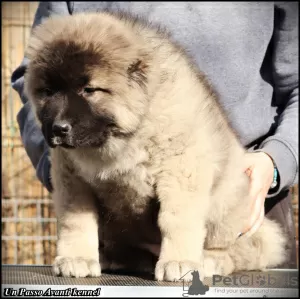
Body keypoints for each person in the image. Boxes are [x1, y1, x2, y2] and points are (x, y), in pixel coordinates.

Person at [11, 2, 298, 268]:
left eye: (88, 91)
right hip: (111, 228)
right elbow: (34, 75)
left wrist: (277, 161)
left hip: (243, 207)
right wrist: (69, 182)